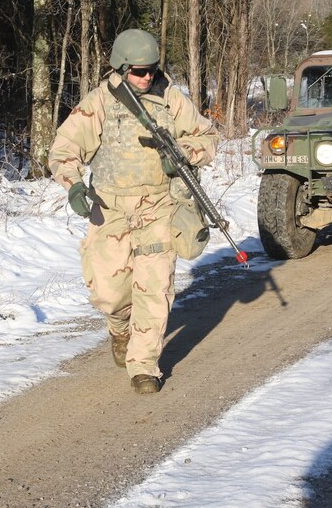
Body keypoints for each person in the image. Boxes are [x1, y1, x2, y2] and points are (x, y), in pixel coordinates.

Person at [48, 29, 219, 395]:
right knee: (109, 293)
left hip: (159, 206)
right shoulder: (99, 103)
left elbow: (207, 138)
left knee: (154, 288)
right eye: (139, 71)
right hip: (109, 208)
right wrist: (74, 183)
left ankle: (143, 365)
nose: (146, 78)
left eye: (152, 71)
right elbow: (64, 148)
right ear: (122, 67)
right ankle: (119, 328)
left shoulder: (171, 98)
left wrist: (183, 154)